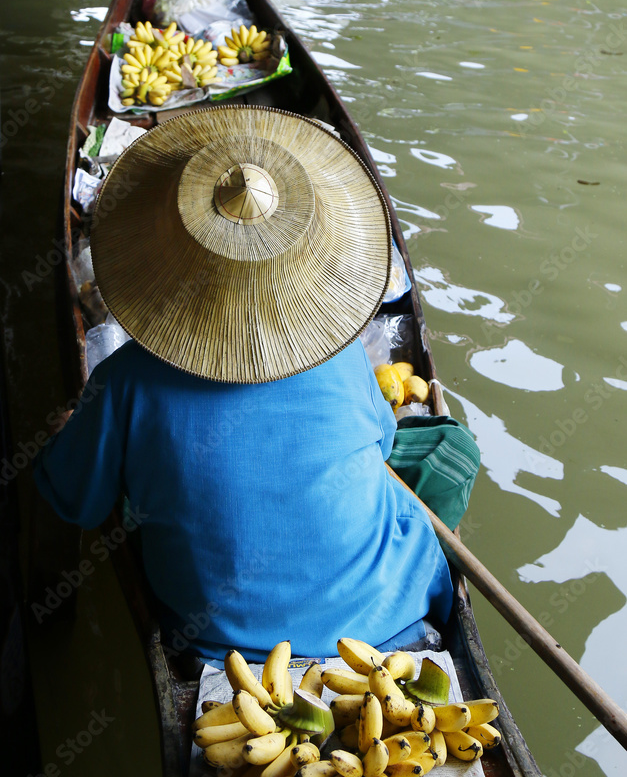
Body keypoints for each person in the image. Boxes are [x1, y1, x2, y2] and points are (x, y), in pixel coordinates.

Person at [33, 105, 455, 663]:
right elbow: (382, 444)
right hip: (387, 619)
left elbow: (75, 502)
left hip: (221, 647)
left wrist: (70, 431)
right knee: (452, 449)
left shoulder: (125, 381)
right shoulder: (342, 355)